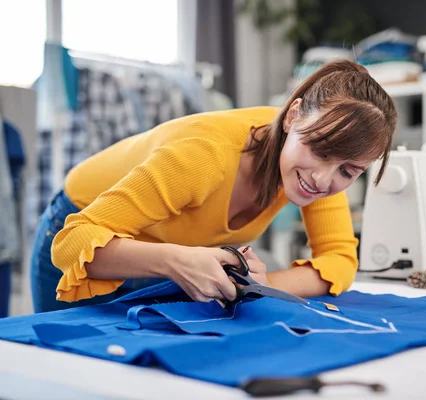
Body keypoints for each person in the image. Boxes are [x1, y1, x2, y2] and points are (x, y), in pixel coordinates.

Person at [30, 59, 398, 313]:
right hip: (85, 231)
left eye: (348, 172)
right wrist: (176, 260)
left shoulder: (314, 170)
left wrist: (268, 281)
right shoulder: (204, 156)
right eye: (320, 150)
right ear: (293, 115)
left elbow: (340, 258)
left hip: (169, 260)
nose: (323, 178)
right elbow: (71, 243)